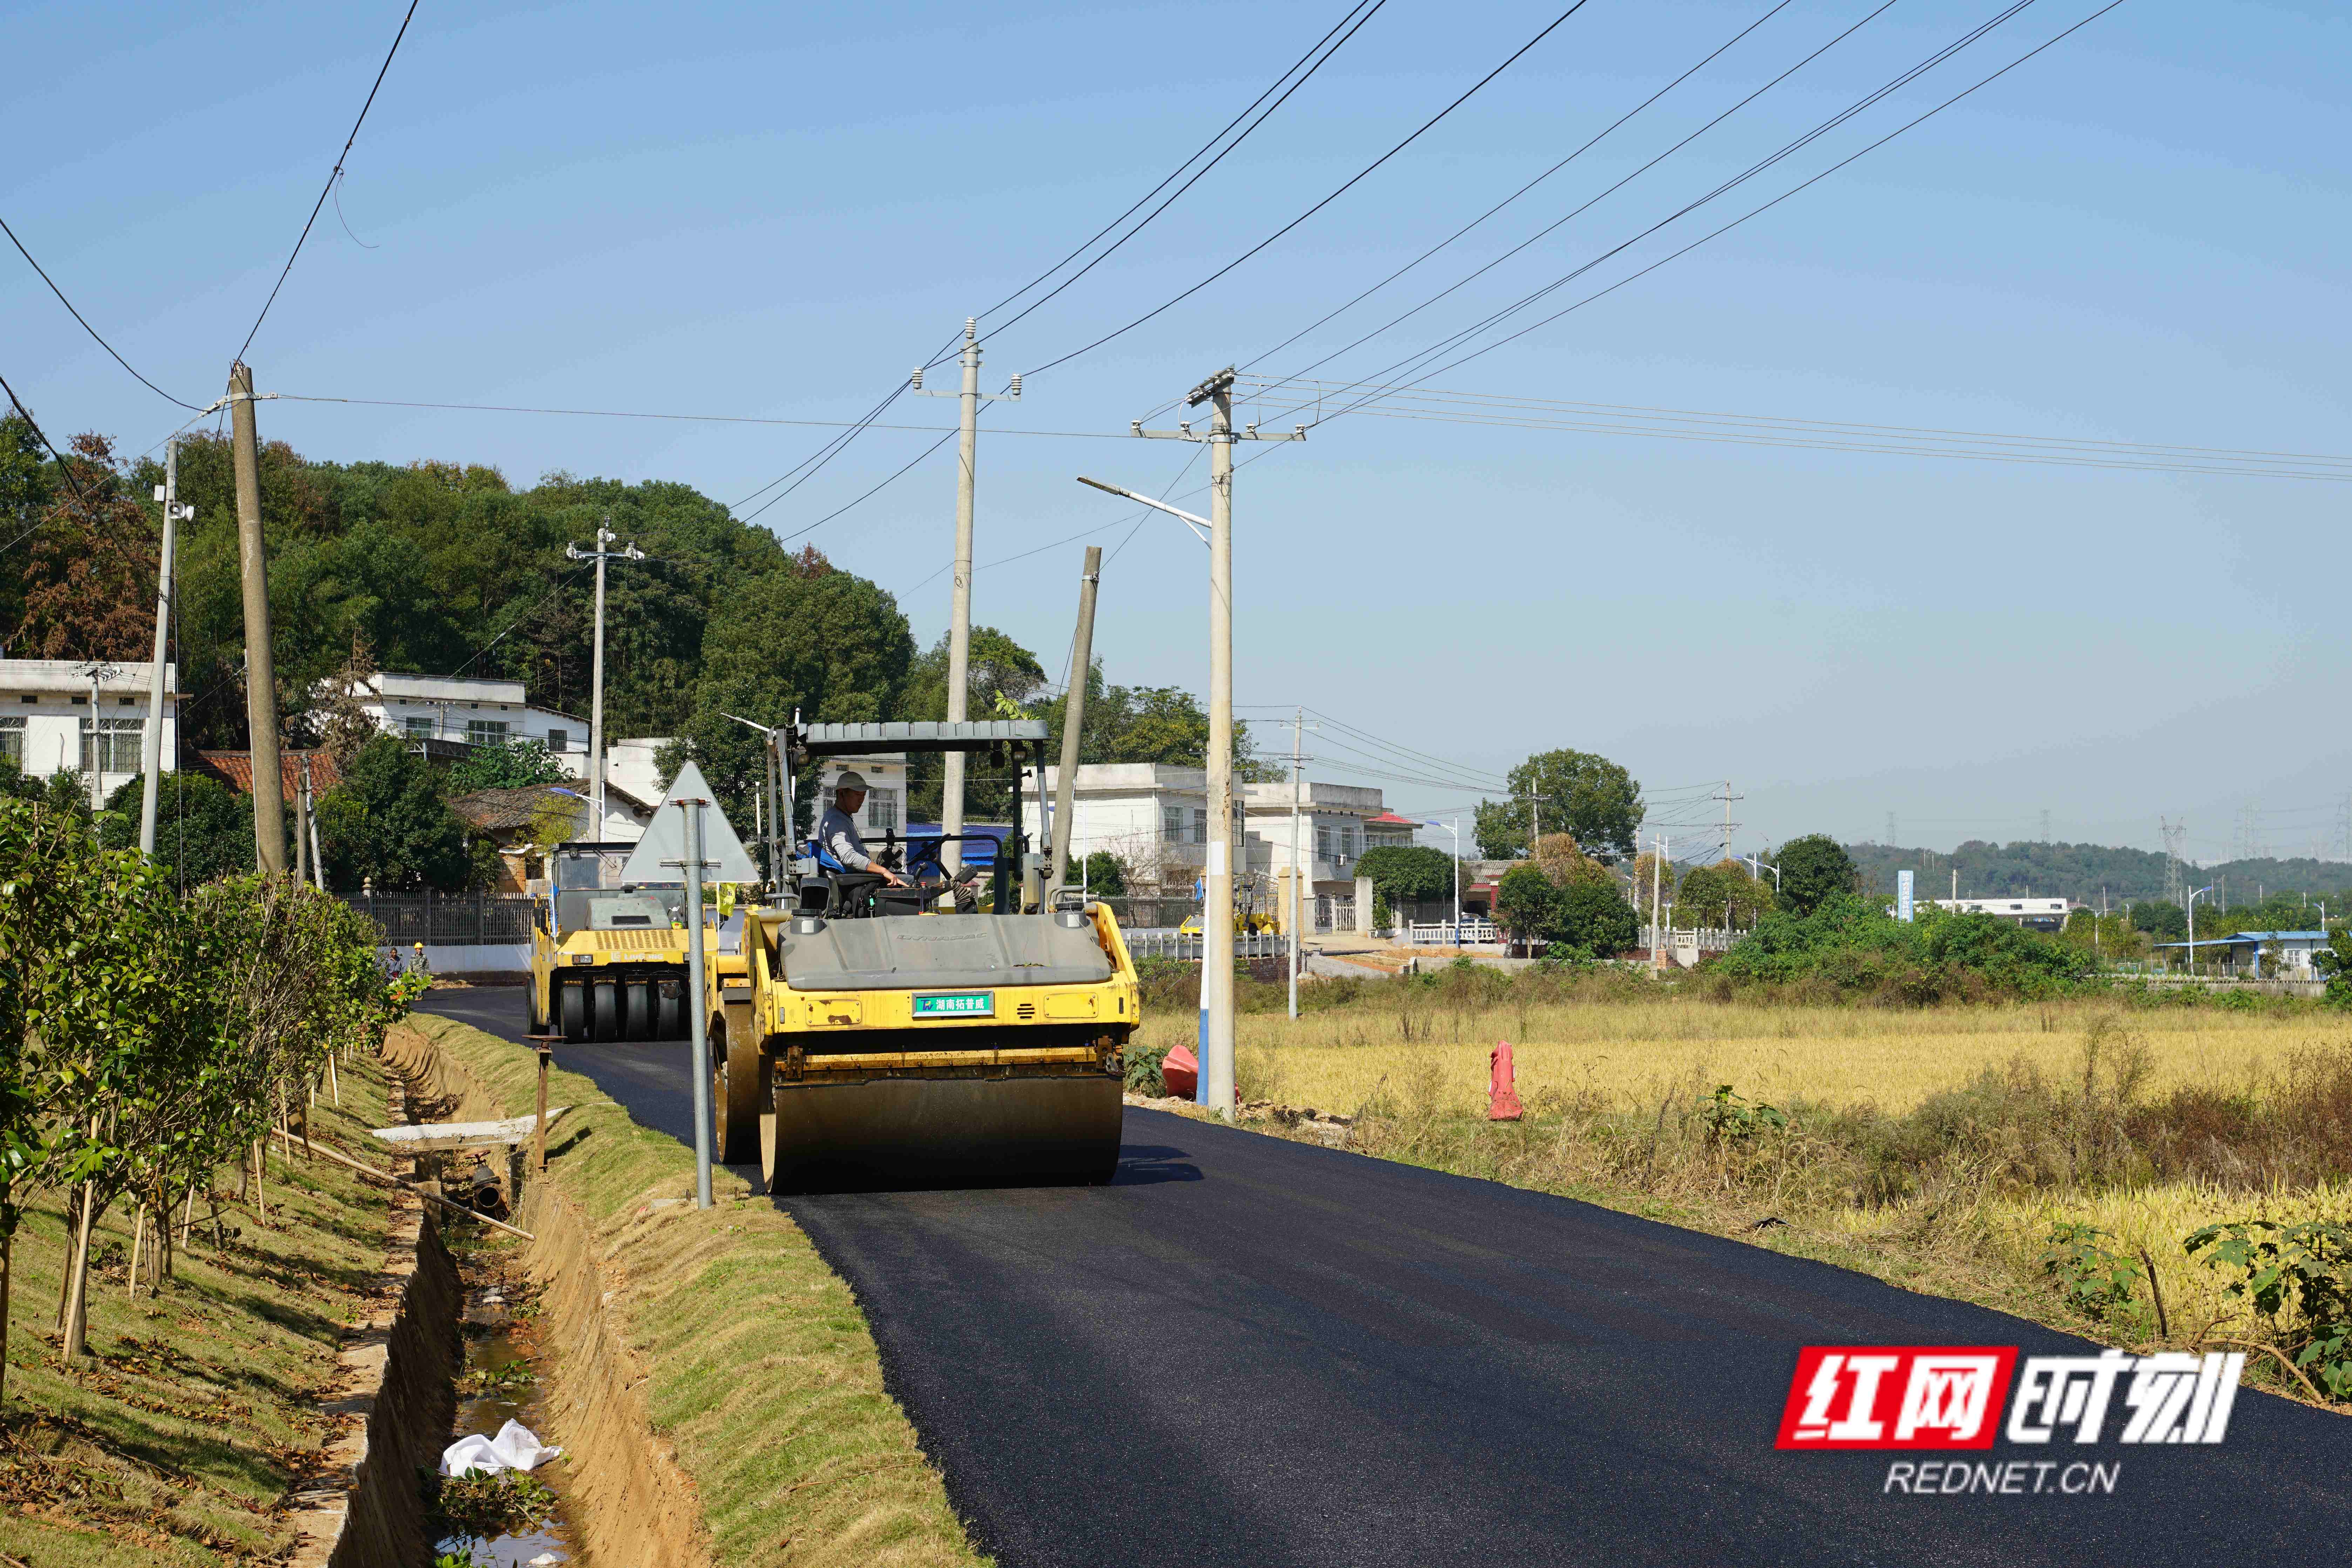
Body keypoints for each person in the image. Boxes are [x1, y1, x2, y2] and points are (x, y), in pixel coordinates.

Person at [819, 771, 904, 886]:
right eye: (858, 795)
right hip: (853, 882)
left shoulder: (843, 817)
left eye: (864, 795)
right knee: (908, 882)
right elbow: (848, 857)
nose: (862, 800)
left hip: (859, 878)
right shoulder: (836, 821)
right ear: (841, 793)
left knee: (906, 879)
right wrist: (884, 871)